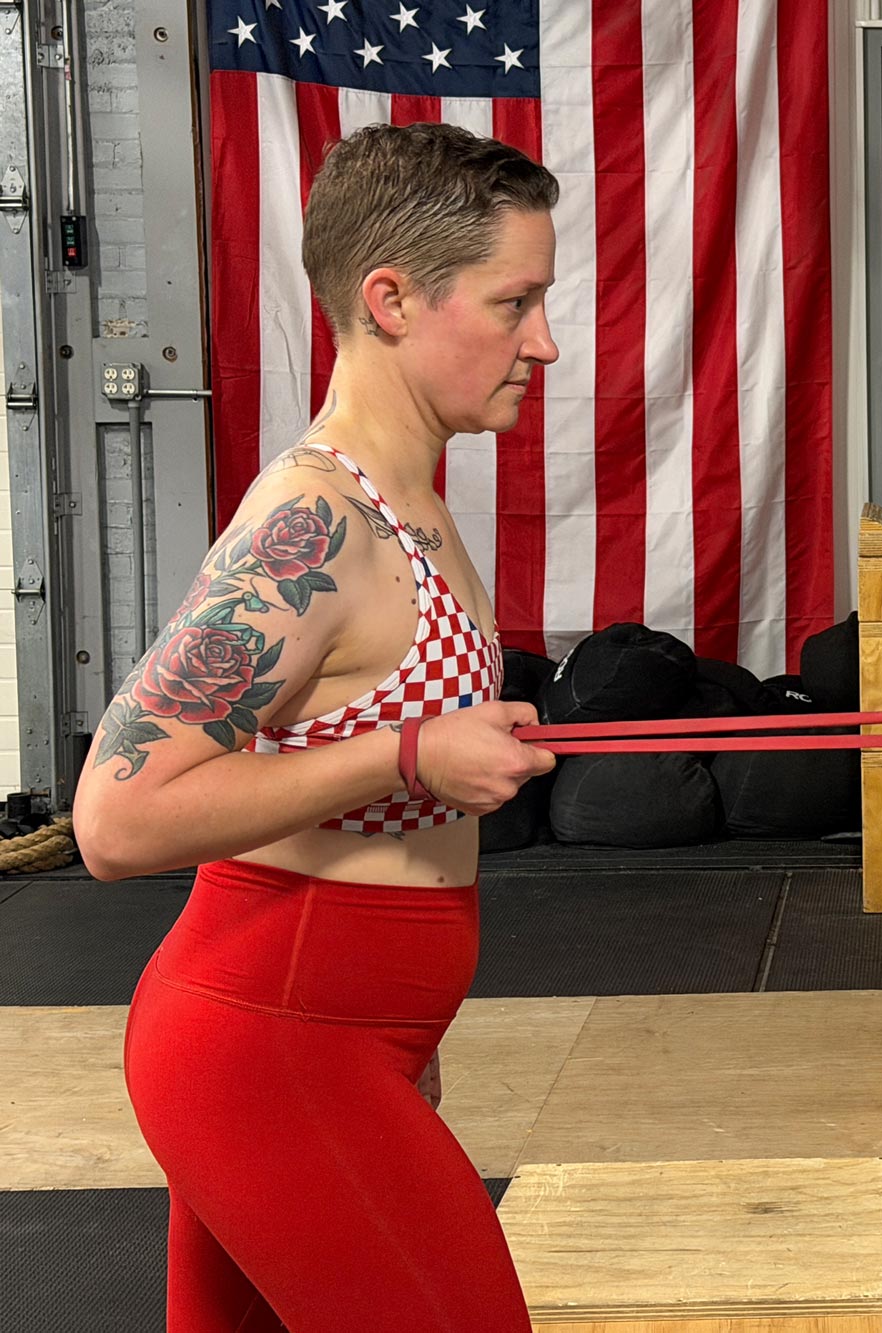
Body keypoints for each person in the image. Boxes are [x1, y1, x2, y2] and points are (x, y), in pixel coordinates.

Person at [73, 122, 562, 1332]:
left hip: (340, 1042)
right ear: (390, 300)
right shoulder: (316, 522)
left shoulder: (410, 507)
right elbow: (116, 819)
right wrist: (407, 752)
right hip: (270, 1044)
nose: (542, 343)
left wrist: (406, 1045)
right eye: (514, 304)